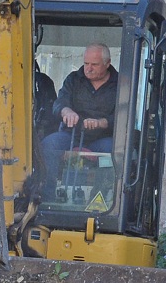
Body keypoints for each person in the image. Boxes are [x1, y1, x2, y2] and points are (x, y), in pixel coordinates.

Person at [40, 44, 119, 198]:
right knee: (49, 144)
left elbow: (126, 116)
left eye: (94, 65)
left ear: (107, 63)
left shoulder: (121, 85)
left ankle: (99, 200)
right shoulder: (73, 79)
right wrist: (67, 111)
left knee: (113, 151)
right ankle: (47, 198)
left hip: (102, 138)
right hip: (71, 135)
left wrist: (101, 122)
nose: (88, 68)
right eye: (86, 63)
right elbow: (58, 104)